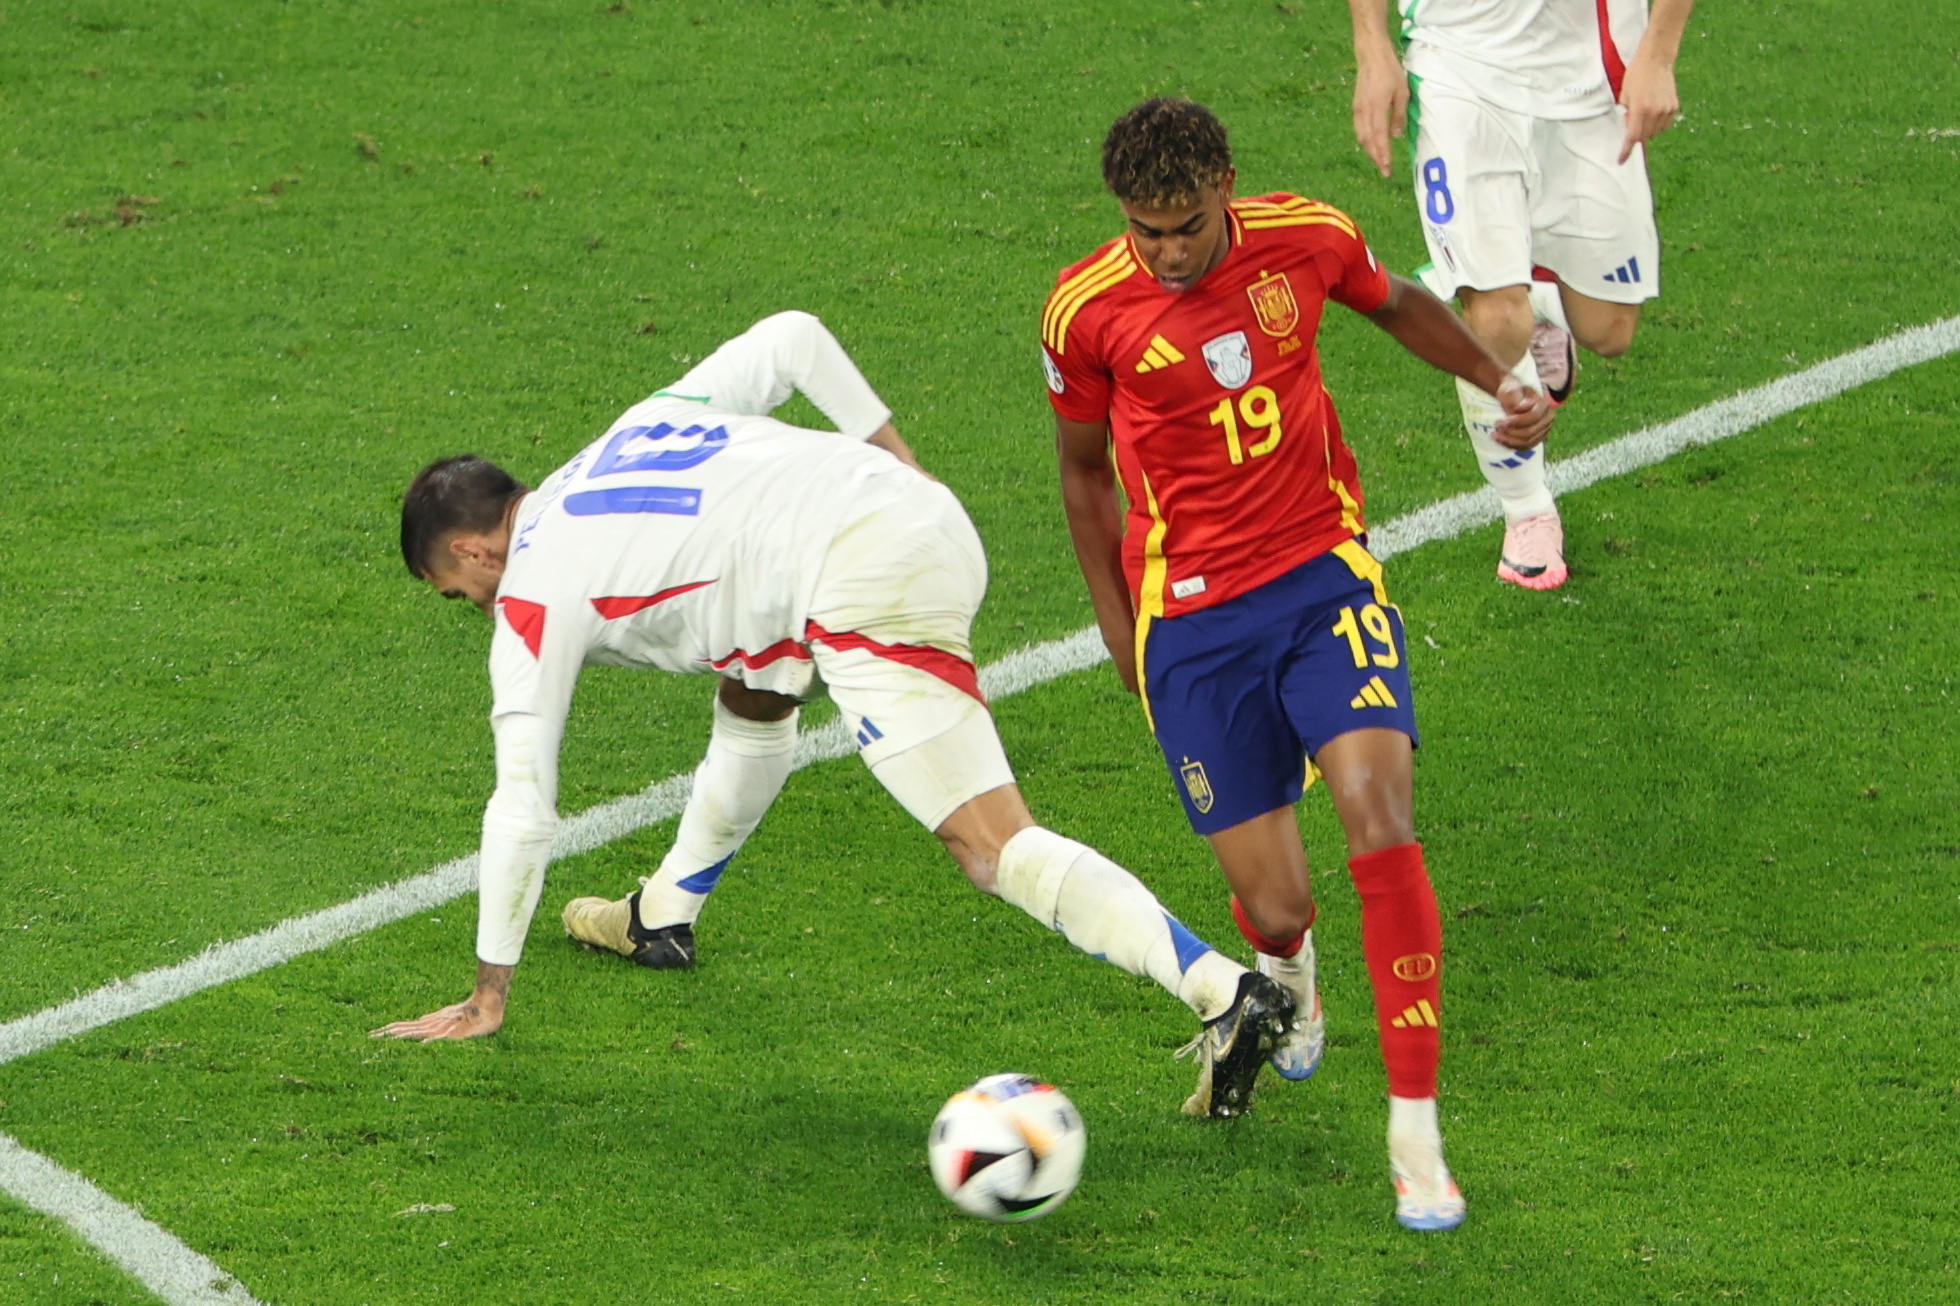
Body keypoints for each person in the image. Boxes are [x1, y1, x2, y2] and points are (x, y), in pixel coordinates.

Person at [375, 310, 1297, 1120]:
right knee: (757, 684)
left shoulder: (531, 594)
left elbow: (522, 807)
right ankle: (662, 914)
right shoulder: (635, 428)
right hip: (909, 511)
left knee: (988, 845)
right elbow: (790, 338)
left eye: (460, 591)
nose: (477, 608)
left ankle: (1219, 989)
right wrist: (893, 452)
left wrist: (487, 991)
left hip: (860, 582)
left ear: (473, 551)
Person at [1041, 99, 1553, 1230]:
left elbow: (1398, 301)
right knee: (1274, 903)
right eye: (1143, 230)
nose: (1165, 252)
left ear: (1224, 182)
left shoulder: (1304, 236)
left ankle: (1414, 1130)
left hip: (1323, 575)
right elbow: (1082, 473)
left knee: (1380, 809)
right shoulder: (1086, 311)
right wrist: (1113, 623)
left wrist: (1493, 377)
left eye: (1182, 225)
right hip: (1192, 622)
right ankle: (1292, 959)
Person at [1348, 0, 1696, 589]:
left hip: (1589, 79)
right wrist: (1372, 46)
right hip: (1459, 65)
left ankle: (1540, 304)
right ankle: (1527, 510)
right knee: (1495, 322)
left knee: (1611, 330)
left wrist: (1658, 55)